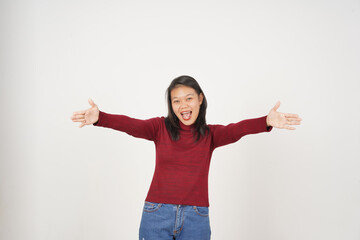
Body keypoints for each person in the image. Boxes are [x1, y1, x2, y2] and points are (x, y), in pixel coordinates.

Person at [70, 75, 302, 240]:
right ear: (171, 105)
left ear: (200, 99)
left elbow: (236, 129)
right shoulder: (159, 128)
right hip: (156, 214)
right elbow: (131, 125)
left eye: (189, 98)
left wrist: (266, 121)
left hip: (196, 217)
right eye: (176, 100)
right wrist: (101, 117)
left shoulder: (211, 135)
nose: (183, 105)